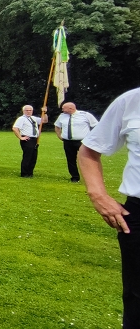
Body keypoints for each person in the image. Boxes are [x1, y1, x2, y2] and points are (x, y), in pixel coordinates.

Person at [78, 87, 140, 328]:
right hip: (138, 215)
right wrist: (98, 195)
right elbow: (89, 149)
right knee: (137, 299)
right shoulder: (131, 101)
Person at [54, 102, 98, 183]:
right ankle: (74, 177)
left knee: (86, 159)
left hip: (82, 142)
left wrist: (91, 138)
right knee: (70, 159)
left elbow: (96, 126)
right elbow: (57, 126)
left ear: (71, 108)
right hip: (68, 142)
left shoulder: (85, 115)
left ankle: (90, 177)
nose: (62, 110)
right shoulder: (62, 116)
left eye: (63, 108)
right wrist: (59, 136)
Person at [12, 105, 48, 178]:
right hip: (27, 139)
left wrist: (45, 113)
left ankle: (30, 173)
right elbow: (15, 128)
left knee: (33, 157)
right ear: (23, 111)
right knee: (27, 157)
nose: (28, 112)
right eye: (27, 110)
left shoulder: (33, 118)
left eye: (30, 110)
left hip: (35, 139)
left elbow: (44, 121)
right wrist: (20, 137)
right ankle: (24, 173)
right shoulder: (21, 119)